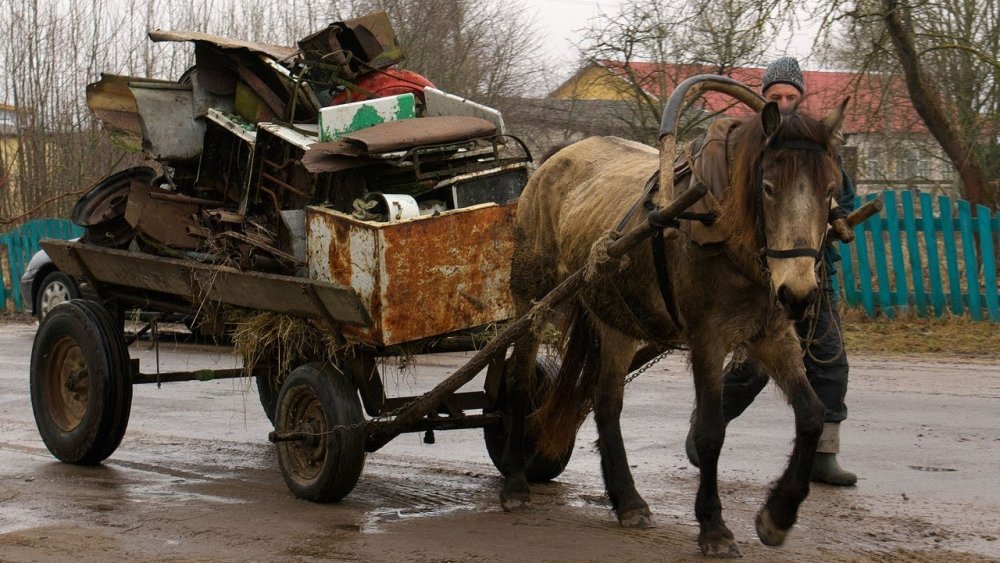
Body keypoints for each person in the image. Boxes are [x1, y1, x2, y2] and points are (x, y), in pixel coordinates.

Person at [685, 56, 859, 486]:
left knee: (829, 362)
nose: (783, 102)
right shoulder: (748, 150)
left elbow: (844, 199)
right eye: (775, 96)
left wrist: (832, 219)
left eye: (790, 96)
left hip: (813, 275)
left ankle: (823, 454)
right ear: (762, 100)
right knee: (755, 366)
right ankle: (706, 427)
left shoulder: (818, 148)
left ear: (801, 100)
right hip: (759, 282)